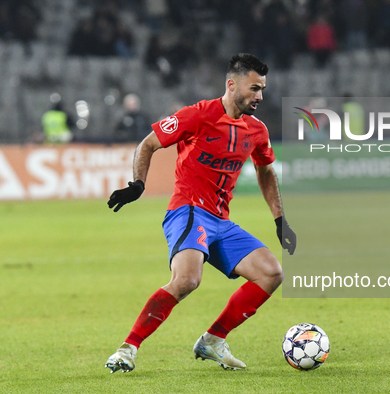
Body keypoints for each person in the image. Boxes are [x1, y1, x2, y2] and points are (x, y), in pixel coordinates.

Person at [105, 53, 296, 373]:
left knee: (271, 273)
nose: (259, 96)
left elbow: (265, 172)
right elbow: (148, 144)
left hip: (221, 220)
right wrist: (137, 184)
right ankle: (127, 348)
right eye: (254, 88)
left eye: (262, 89)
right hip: (188, 210)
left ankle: (212, 340)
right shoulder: (198, 115)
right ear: (232, 85)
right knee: (187, 280)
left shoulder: (256, 130)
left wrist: (279, 219)